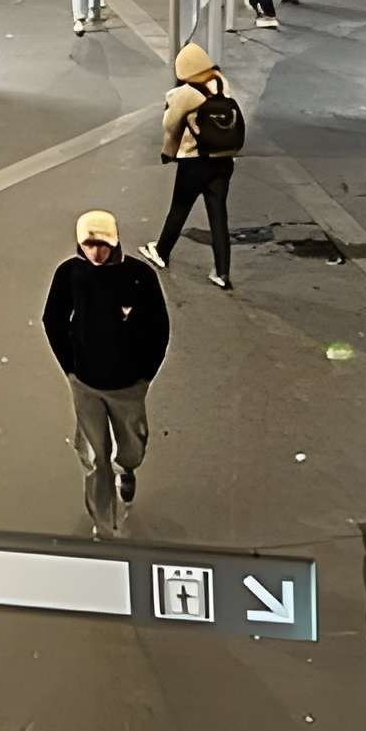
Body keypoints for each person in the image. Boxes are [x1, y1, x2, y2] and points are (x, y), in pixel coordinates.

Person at [42, 209, 168, 534]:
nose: (96, 252)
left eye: (103, 244)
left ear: (115, 242)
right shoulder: (70, 274)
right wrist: (70, 368)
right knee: (95, 456)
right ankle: (104, 524)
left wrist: (145, 376)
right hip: (85, 383)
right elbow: (53, 319)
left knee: (131, 445)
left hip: (128, 386)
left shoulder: (139, 276)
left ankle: (127, 468)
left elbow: (159, 328)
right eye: (88, 244)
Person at [143, 43, 244, 289]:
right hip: (223, 159)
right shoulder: (220, 82)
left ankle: (161, 252)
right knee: (218, 215)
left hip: (195, 162)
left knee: (179, 208)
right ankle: (221, 272)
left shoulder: (187, 93)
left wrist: (168, 153)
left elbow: (170, 126)